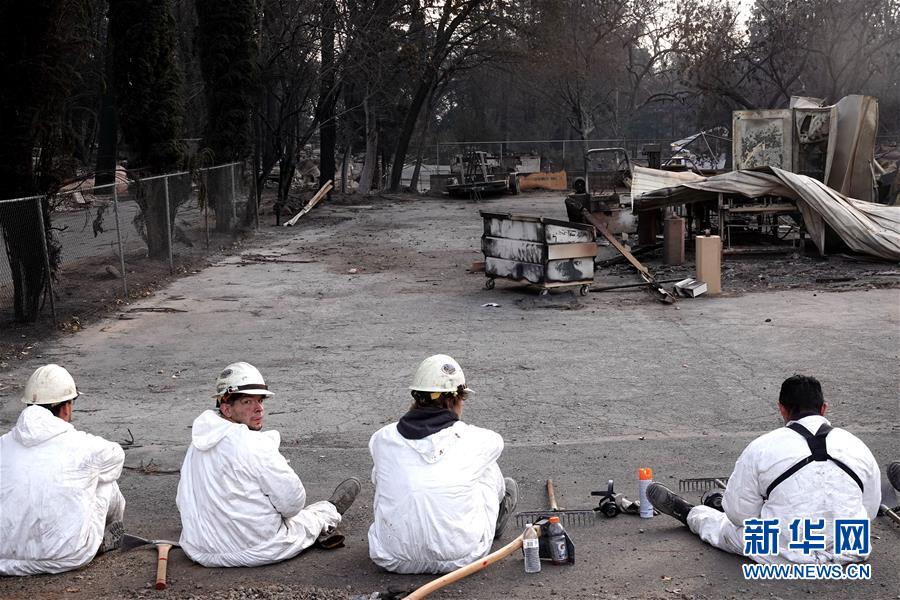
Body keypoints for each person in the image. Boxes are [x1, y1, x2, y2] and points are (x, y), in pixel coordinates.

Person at [648, 374, 881, 565]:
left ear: (782, 409)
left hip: (785, 554)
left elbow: (739, 515)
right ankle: (714, 506)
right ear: (824, 408)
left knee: (722, 527)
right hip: (851, 549)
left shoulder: (762, 447)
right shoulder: (857, 445)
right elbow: (869, 510)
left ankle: (690, 513)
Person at [176, 361, 360, 567]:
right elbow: (293, 504)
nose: (259, 409)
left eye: (260, 400)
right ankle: (330, 513)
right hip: (254, 549)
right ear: (227, 409)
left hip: (199, 548)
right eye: (247, 402)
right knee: (309, 519)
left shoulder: (197, 443)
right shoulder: (254, 444)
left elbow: (182, 502)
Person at [368, 354, 518, 574]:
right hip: (462, 558)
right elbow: (495, 445)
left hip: (393, 557)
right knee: (486, 468)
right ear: (454, 400)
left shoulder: (381, 439)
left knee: (385, 471)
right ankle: (494, 521)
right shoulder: (481, 439)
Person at [0, 364, 125, 575]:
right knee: (104, 480)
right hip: (67, 556)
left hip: (3, 559)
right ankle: (109, 532)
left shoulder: (3, 444)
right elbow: (117, 457)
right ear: (66, 408)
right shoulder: (86, 447)